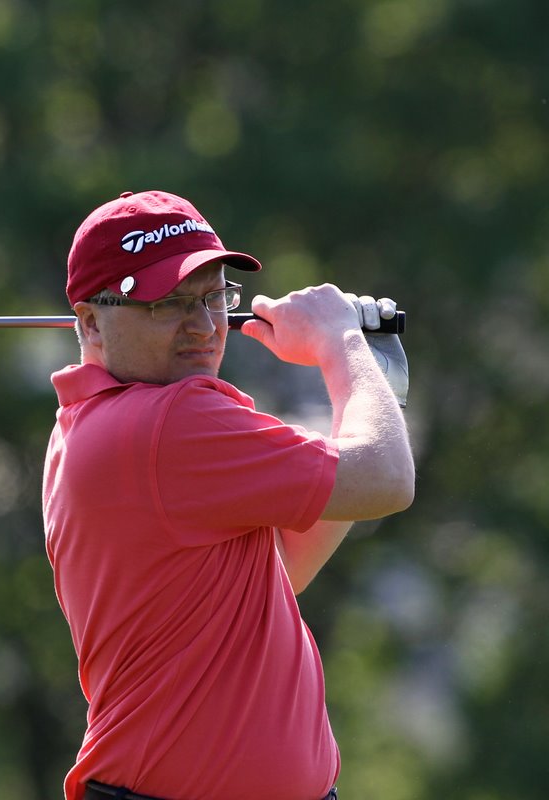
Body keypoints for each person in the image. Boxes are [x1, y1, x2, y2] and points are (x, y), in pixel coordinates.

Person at [41, 190, 415, 800]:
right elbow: (387, 480)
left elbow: (278, 570)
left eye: (214, 297)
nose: (204, 326)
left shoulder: (93, 422)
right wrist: (340, 343)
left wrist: (379, 390)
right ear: (90, 322)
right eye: (167, 304)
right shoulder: (170, 421)